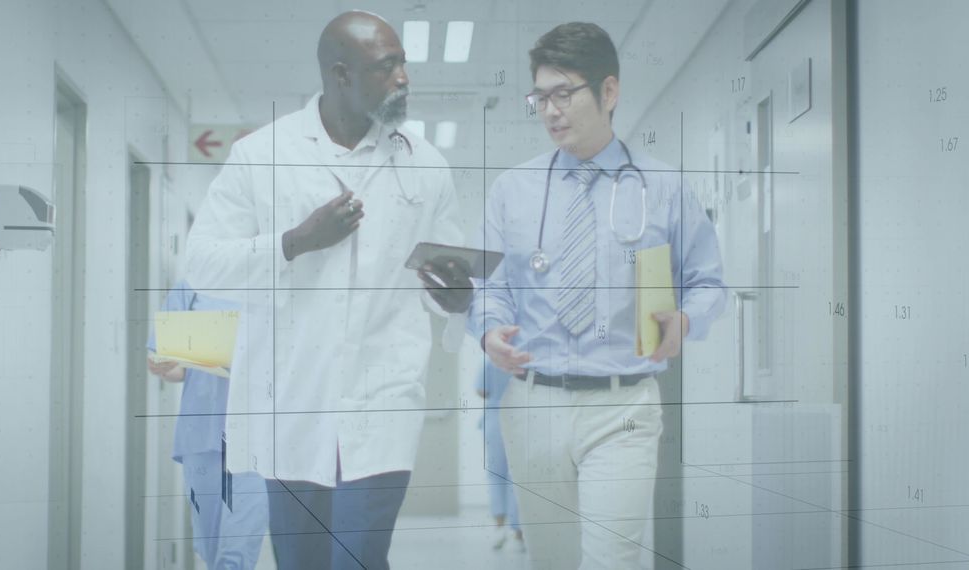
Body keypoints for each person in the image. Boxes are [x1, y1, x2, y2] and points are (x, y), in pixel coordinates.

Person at [182, 10, 472, 569]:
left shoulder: (426, 164)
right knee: (302, 563)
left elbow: (441, 278)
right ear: (340, 74)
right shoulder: (262, 155)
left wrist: (455, 298)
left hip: (383, 401)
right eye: (387, 67)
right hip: (292, 401)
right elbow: (202, 263)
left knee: (359, 557)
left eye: (403, 64)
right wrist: (295, 241)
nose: (404, 78)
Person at [467, 22, 727, 569]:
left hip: (623, 402)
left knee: (614, 559)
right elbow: (490, 288)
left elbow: (707, 283)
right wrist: (489, 330)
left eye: (565, 94)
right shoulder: (512, 190)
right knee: (554, 560)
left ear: (608, 92)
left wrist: (685, 320)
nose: (550, 110)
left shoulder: (664, 187)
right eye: (541, 96)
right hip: (533, 404)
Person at [146, 281, 268, 569]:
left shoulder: (269, 282)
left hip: (257, 435)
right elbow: (170, 365)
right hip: (202, 431)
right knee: (210, 546)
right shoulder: (190, 286)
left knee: (236, 551)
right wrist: (162, 364)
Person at [474, 360, 524, 552]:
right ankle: (519, 532)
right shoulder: (526, 359)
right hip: (519, 420)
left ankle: (499, 527)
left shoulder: (491, 361)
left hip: (495, 419)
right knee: (516, 476)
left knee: (495, 475)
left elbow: (481, 391)